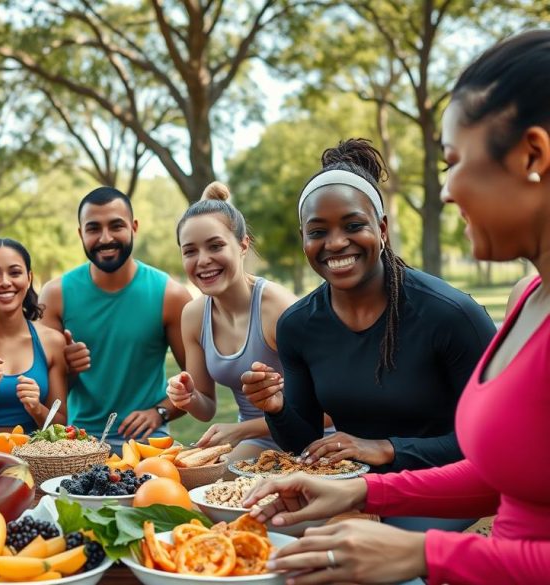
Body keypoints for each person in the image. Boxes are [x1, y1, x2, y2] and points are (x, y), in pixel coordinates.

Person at [243, 31, 550, 585]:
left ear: (533, 155)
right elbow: (499, 479)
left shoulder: (451, 312)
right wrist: (360, 488)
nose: (448, 191)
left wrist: (422, 555)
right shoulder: (531, 301)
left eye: (455, 162)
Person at [242, 138, 496, 532]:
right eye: (318, 231)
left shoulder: (451, 315)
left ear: (381, 228)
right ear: (304, 239)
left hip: (440, 487)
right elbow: (303, 442)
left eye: (353, 225)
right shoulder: (298, 326)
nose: (336, 243)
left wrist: (387, 448)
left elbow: (489, 444)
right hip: (344, 487)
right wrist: (276, 409)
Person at [165, 182, 333, 462]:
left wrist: (241, 430)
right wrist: (188, 397)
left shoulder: (278, 309)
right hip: (258, 442)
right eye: (190, 251)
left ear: (243, 245)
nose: (203, 260)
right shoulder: (193, 316)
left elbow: (328, 411)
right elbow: (205, 408)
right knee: (198, 486)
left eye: (215, 245)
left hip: (316, 440)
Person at [38, 186, 192, 448]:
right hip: (78, 443)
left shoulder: (171, 295)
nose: (105, 238)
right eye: (93, 228)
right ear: (81, 234)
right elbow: (44, 395)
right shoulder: (55, 296)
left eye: (116, 226)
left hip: (148, 444)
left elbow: (197, 381)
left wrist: (160, 412)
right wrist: (69, 371)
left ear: (134, 227)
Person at [0, 238, 68, 433]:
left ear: (29, 278)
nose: (5, 282)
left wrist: (36, 408)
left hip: (35, 460)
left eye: (15, 272)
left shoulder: (52, 342)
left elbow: (61, 427)